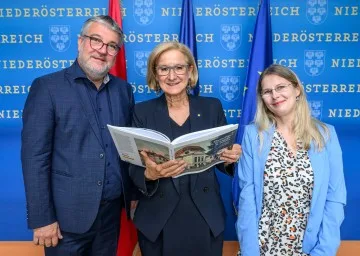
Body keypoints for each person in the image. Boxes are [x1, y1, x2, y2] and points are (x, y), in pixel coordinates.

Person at [21, 15, 134, 256]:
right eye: (96, 40)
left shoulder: (124, 91)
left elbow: (127, 150)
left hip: (111, 216)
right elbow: (35, 158)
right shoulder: (47, 88)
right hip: (65, 221)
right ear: (80, 41)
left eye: (112, 45)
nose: (103, 50)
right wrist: (42, 219)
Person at [129, 41, 242, 256]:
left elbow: (221, 159)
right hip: (158, 221)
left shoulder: (212, 107)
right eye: (164, 69)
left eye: (179, 67)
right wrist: (148, 174)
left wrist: (230, 158)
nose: (172, 76)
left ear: (190, 70)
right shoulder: (141, 112)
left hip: (205, 217)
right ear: (155, 73)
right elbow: (131, 165)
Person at [235, 64, 346, 256]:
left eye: (281, 87)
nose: (275, 95)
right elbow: (247, 200)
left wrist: (324, 251)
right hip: (263, 249)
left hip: (311, 250)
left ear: (297, 89)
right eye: (267, 91)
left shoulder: (326, 134)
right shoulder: (254, 136)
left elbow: (335, 198)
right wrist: (250, 252)